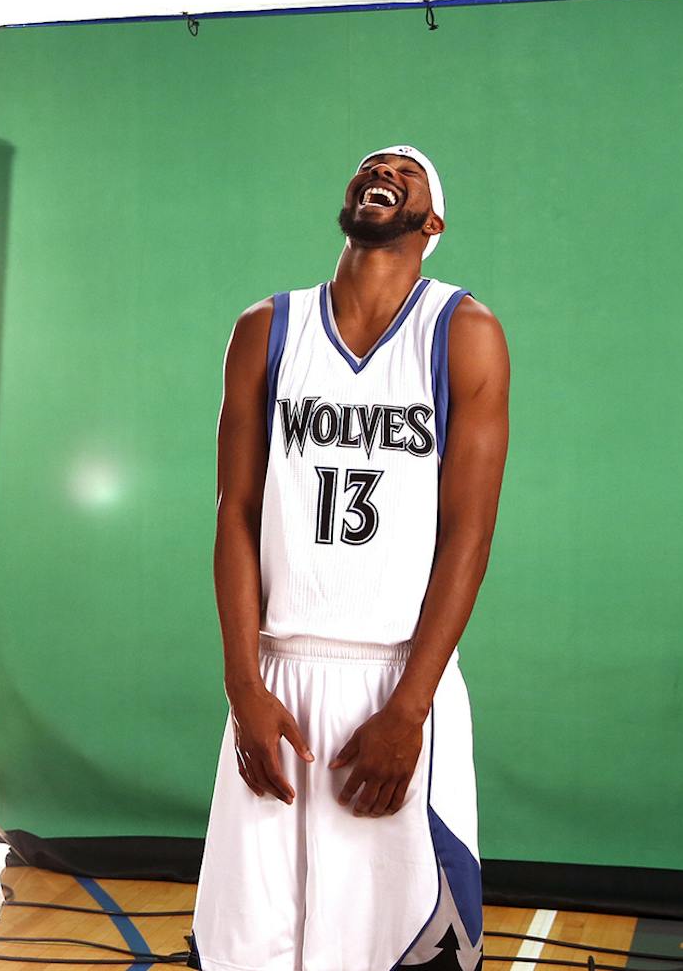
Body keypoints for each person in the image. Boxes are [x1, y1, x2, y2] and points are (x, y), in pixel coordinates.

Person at [192, 146, 510, 970]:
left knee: (392, 942)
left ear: (431, 222)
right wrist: (242, 686)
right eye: (375, 163)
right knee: (252, 944)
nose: (387, 170)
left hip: (396, 679)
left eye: (410, 172)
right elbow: (236, 513)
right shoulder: (267, 327)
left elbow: (468, 536)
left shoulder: (464, 332)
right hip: (279, 675)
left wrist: (411, 710)